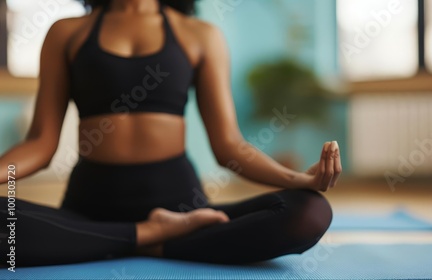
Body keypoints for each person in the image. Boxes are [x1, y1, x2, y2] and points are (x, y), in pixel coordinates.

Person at [0, 0, 341, 266]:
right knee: (8, 225)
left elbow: (230, 146)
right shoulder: (66, 32)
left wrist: (297, 179)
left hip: (184, 210)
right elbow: (40, 144)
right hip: (88, 211)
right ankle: (149, 237)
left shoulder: (199, 34)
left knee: (309, 212)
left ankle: (115, 242)